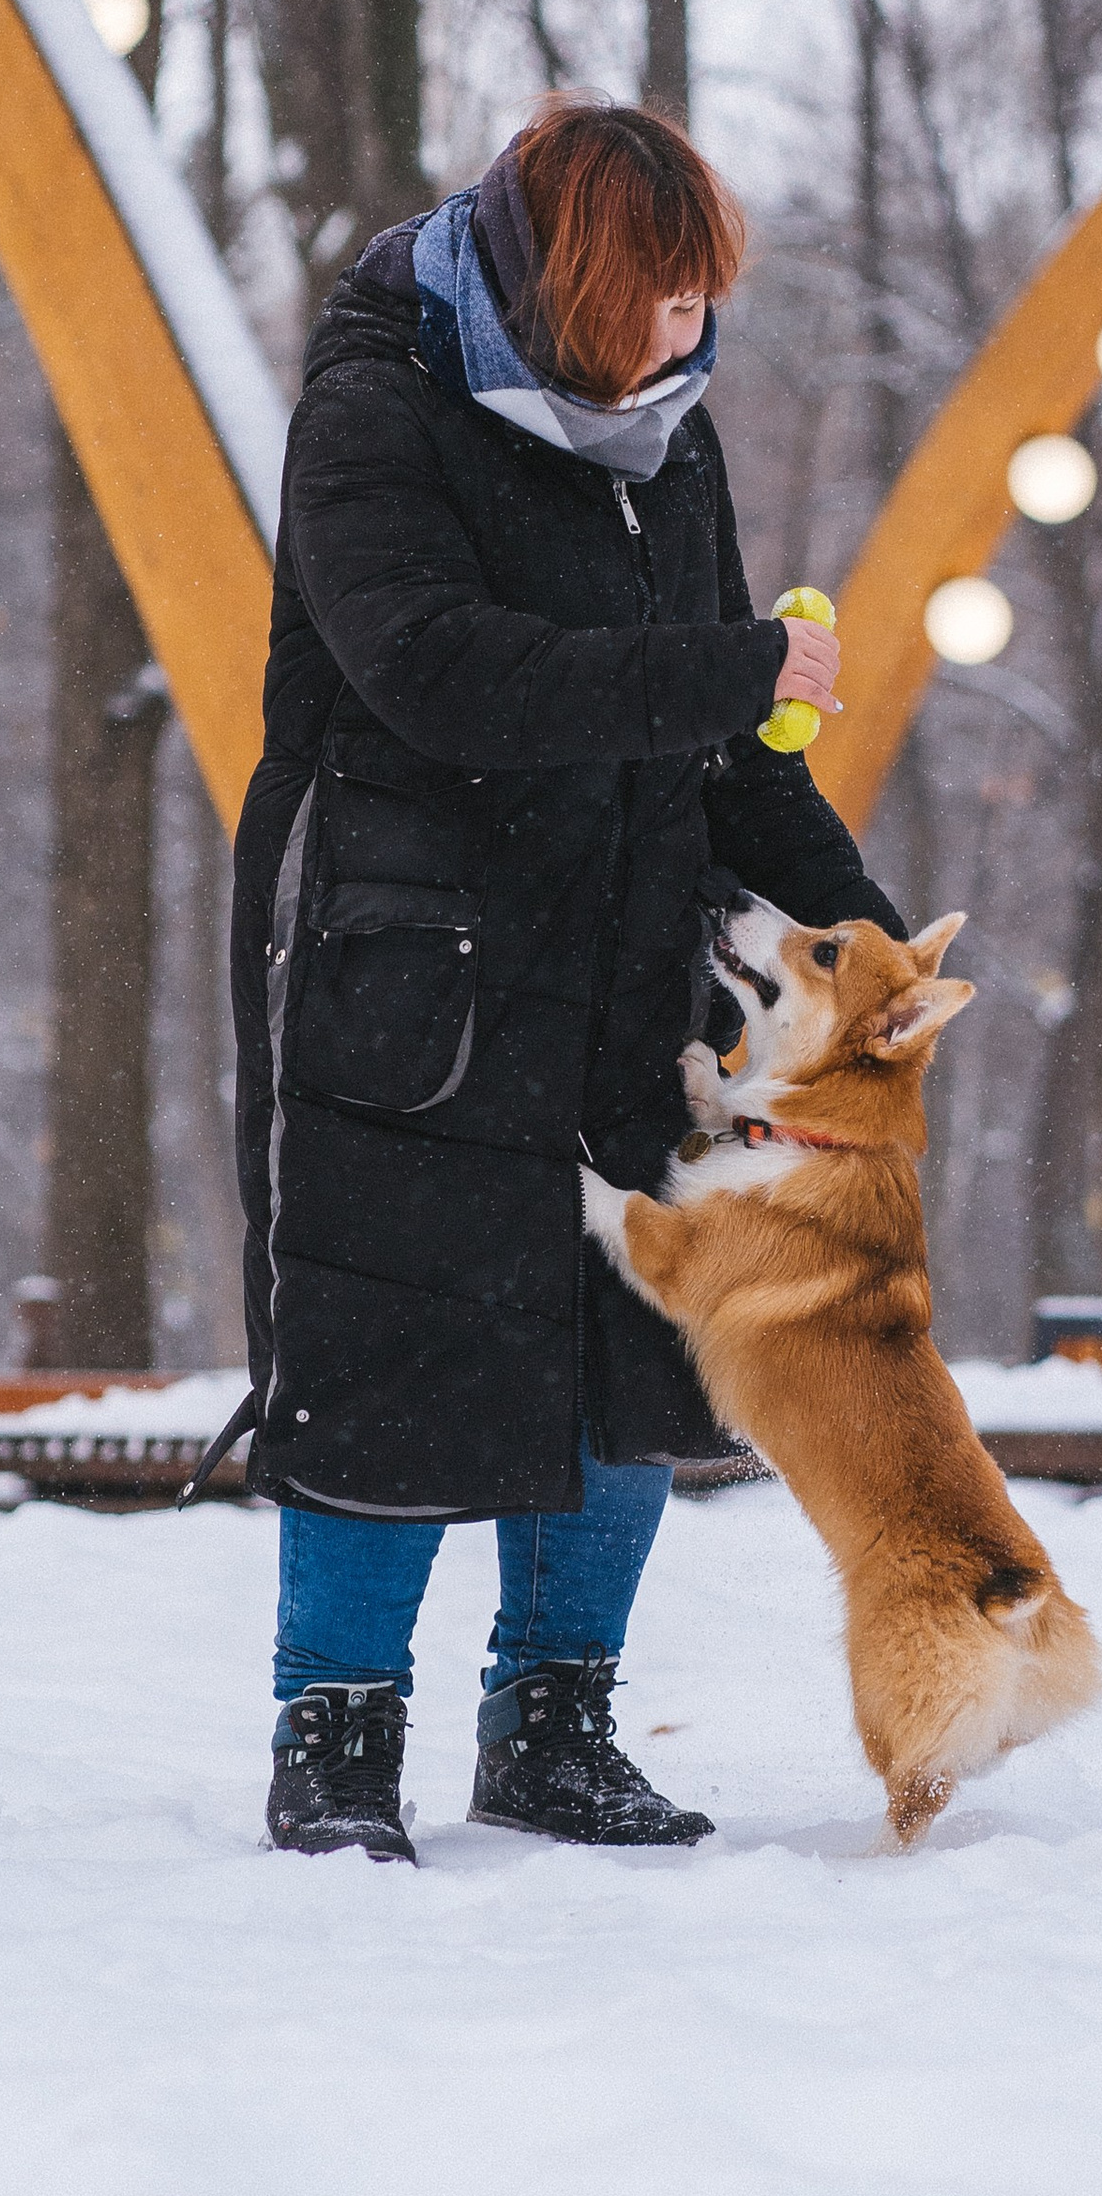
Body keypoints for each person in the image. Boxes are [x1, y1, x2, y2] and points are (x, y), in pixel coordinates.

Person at [230, 96, 903, 1862]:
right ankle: (336, 1737)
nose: (692, 336)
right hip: (429, 976)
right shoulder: (381, 403)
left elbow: (734, 752)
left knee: (630, 1351)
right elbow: (438, 674)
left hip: (628, 968)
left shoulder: (664, 441)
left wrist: (863, 942)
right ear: (572, 281)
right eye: (661, 299)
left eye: (705, 302)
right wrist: (727, 669)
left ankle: (554, 1721)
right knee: (392, 1355)